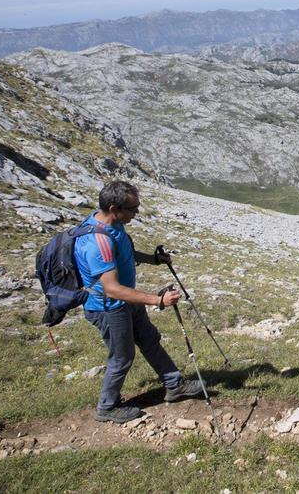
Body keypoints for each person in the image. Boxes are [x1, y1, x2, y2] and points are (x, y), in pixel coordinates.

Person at [75, 180, 204, 422]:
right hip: (109, 308)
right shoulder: (97, 242)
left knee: (149, 339)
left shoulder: (112, 226)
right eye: (133, 209)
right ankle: (107, 407)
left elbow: (124, 253)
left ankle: (174, 384)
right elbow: (112, 289)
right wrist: (157, 300)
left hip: (127, 300)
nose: (136, 213)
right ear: (114, 209)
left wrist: (153, 260)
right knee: (122, 357)